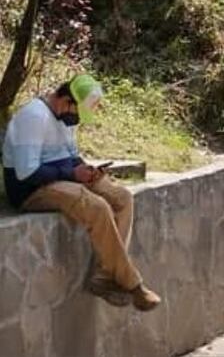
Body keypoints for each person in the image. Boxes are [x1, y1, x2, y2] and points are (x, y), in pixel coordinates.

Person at [2, 76, 161, 311]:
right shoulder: (34, 117)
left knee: (122, 198)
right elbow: (26, 172)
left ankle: (105, 275)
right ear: (66, 101)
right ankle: (132, 283)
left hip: (62, 177)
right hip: (32, 189)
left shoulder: (66, 120)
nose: (76, 121)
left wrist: (88, 171)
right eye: (77, 114)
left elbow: (71, 155)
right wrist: (71, 174)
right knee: (96, 207)